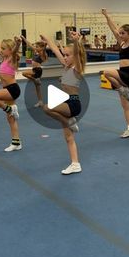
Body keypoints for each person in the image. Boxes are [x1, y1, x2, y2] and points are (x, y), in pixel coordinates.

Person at [40, 31, 86, 175]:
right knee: (68, 137)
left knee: (47, 108)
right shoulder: (66, 66)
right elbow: (55, 49)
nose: (65, 57)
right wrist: (47, 38)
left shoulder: (77, 69)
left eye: (68, 55)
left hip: (73, 103)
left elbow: (78, 55)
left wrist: (77, 42)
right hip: (65, 103)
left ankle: (70, 122)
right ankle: (75, 163)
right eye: (64, 55)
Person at [101, 7, 129, 138]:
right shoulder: (122, 43)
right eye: (120, 33)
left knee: (106, 72)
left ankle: (120, 88)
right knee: (125, 106)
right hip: (123, 73)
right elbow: (113, 28)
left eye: (122, 33)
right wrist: (106, 15)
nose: (119, 35)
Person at [21, 36, 48, 107]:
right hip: (34, 70)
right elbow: (29, 44)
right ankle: (40, 102)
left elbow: (44, 49)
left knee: (24, 73)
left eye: (37, 46)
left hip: (37, 70)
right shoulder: (36, 52)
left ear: (41, 48)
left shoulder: (43, 54)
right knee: (37, 89)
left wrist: (45, 44)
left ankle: (35, 80)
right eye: (36, 46)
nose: (36, 47)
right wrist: (24, 39)